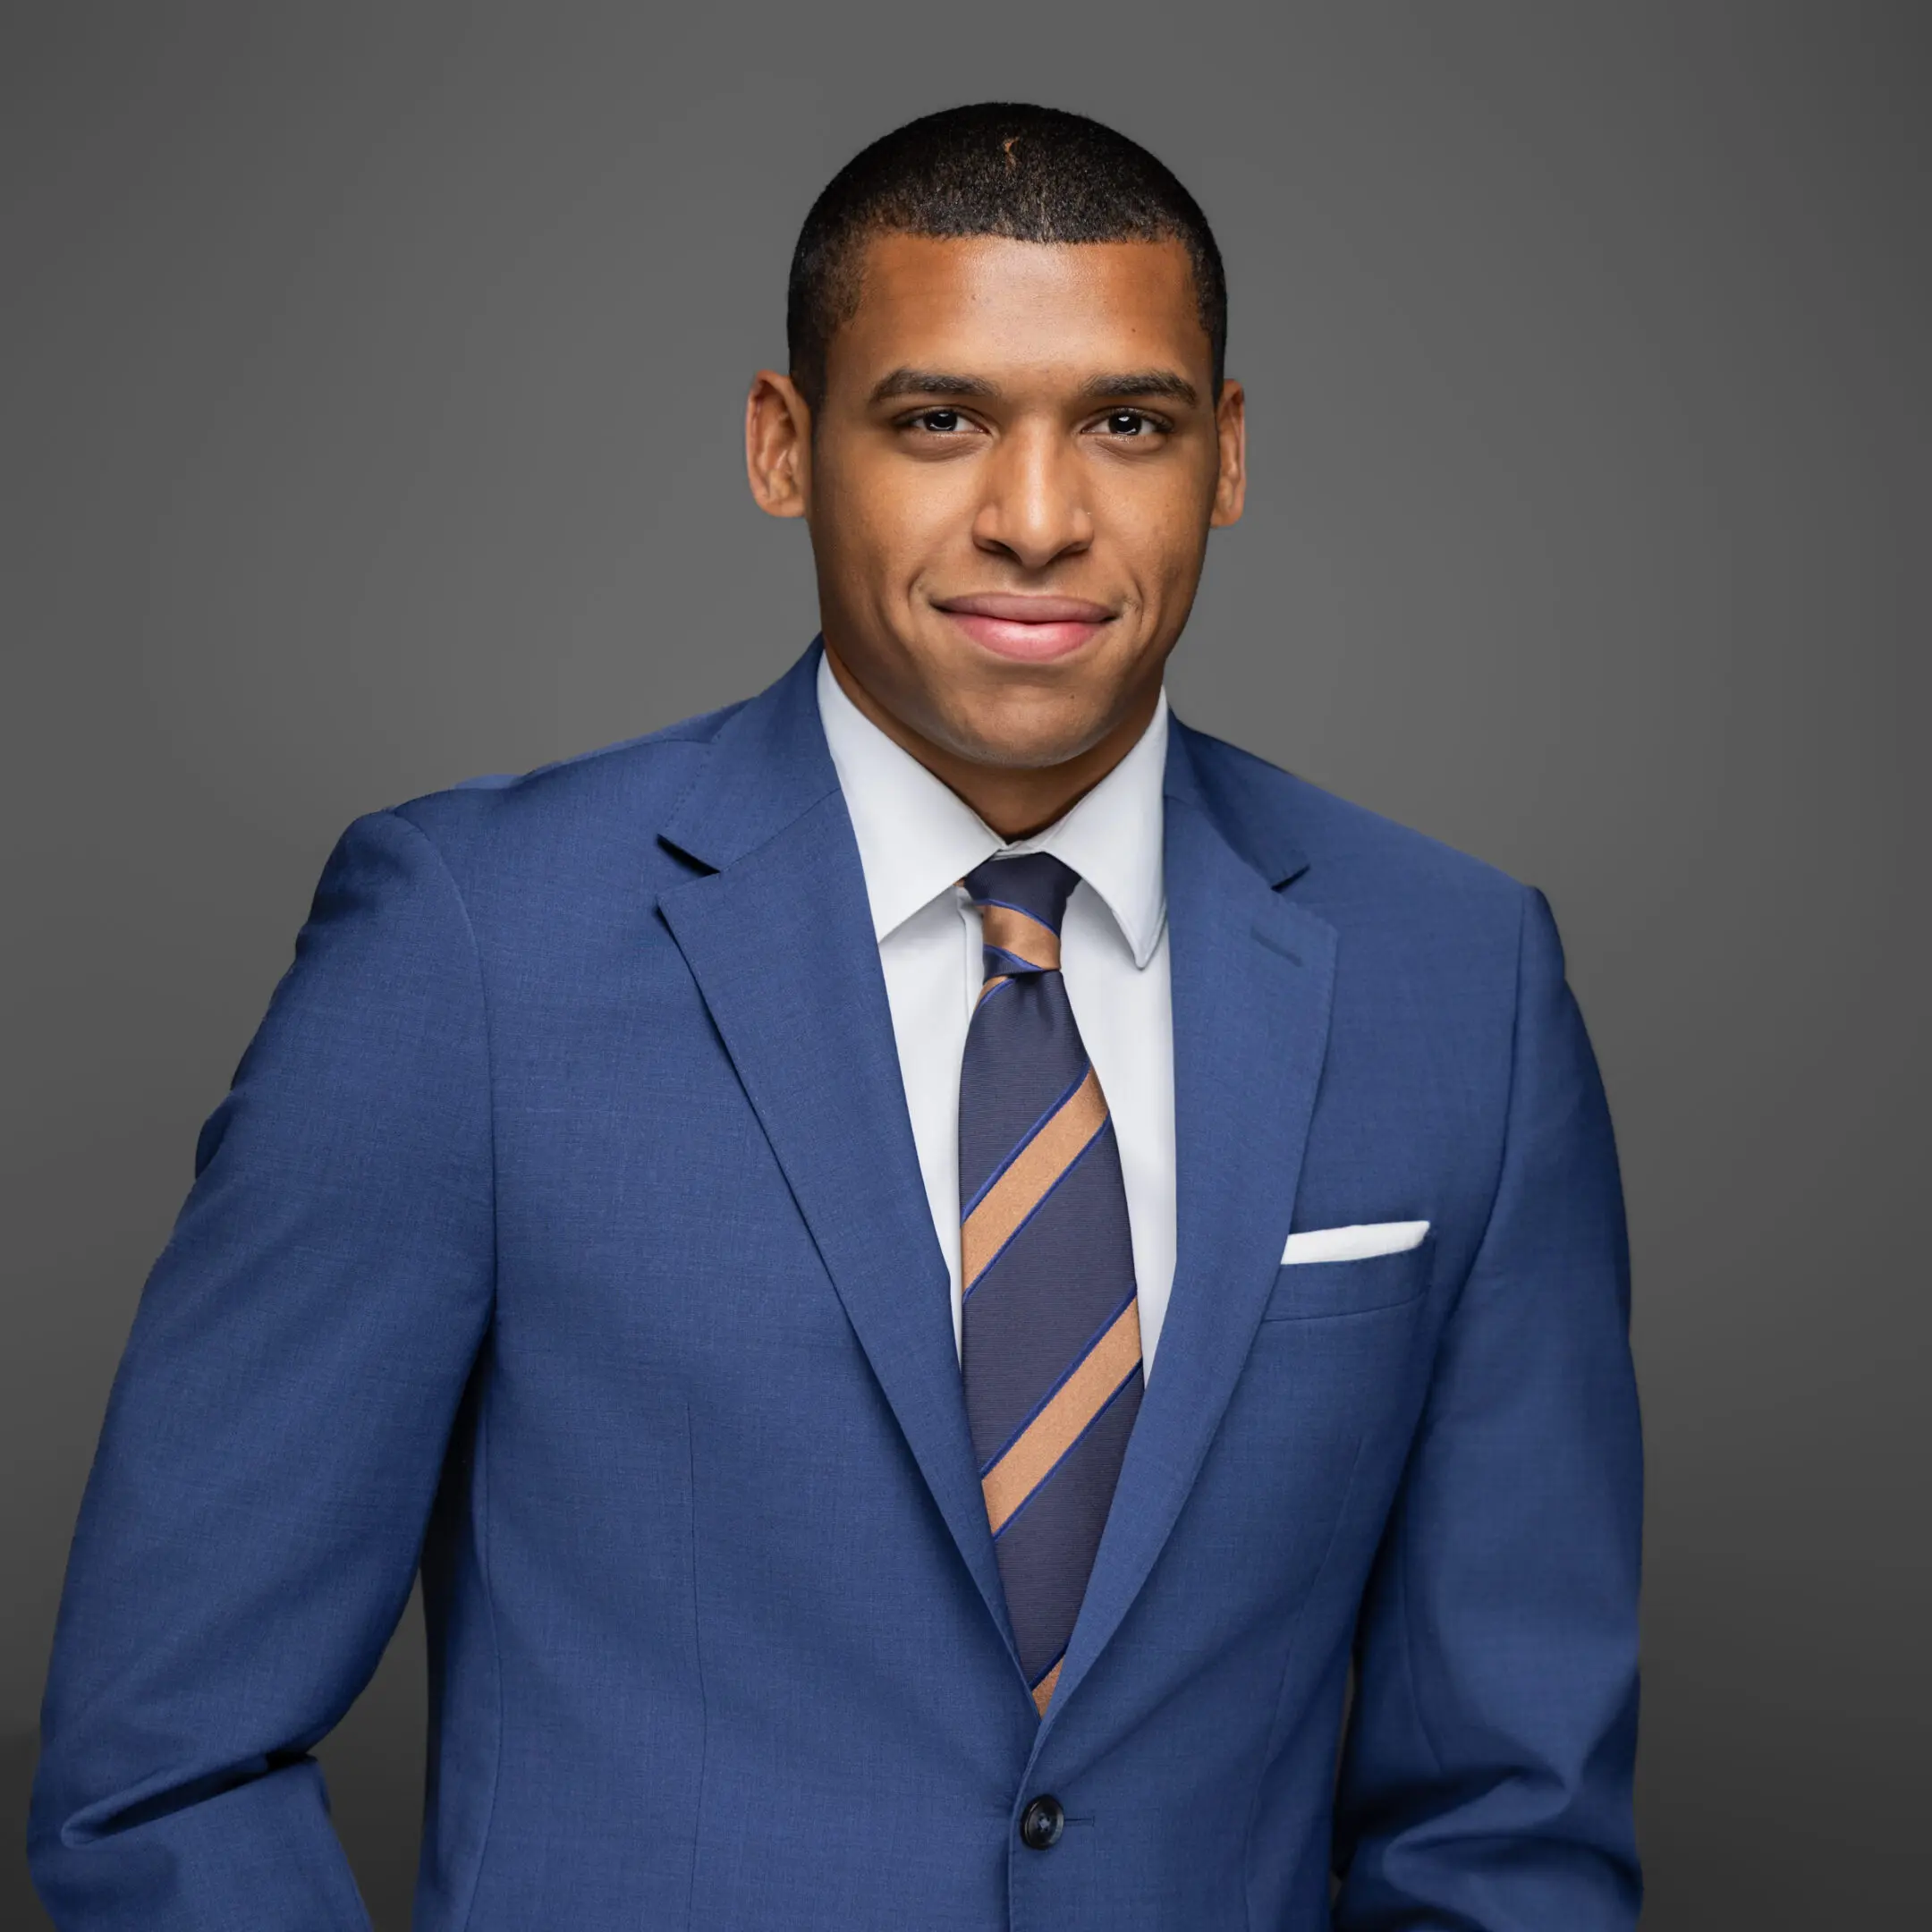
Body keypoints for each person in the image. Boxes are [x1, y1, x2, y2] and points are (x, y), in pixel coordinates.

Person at [30, 103, 1641, 1929]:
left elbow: (1508, 1821)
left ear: (1231, 456)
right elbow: (166, 1771)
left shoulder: (1461, 978)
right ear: (785, 446)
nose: (1037, 522)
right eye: (940, 419)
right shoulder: (471, 953)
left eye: (1128, 423)